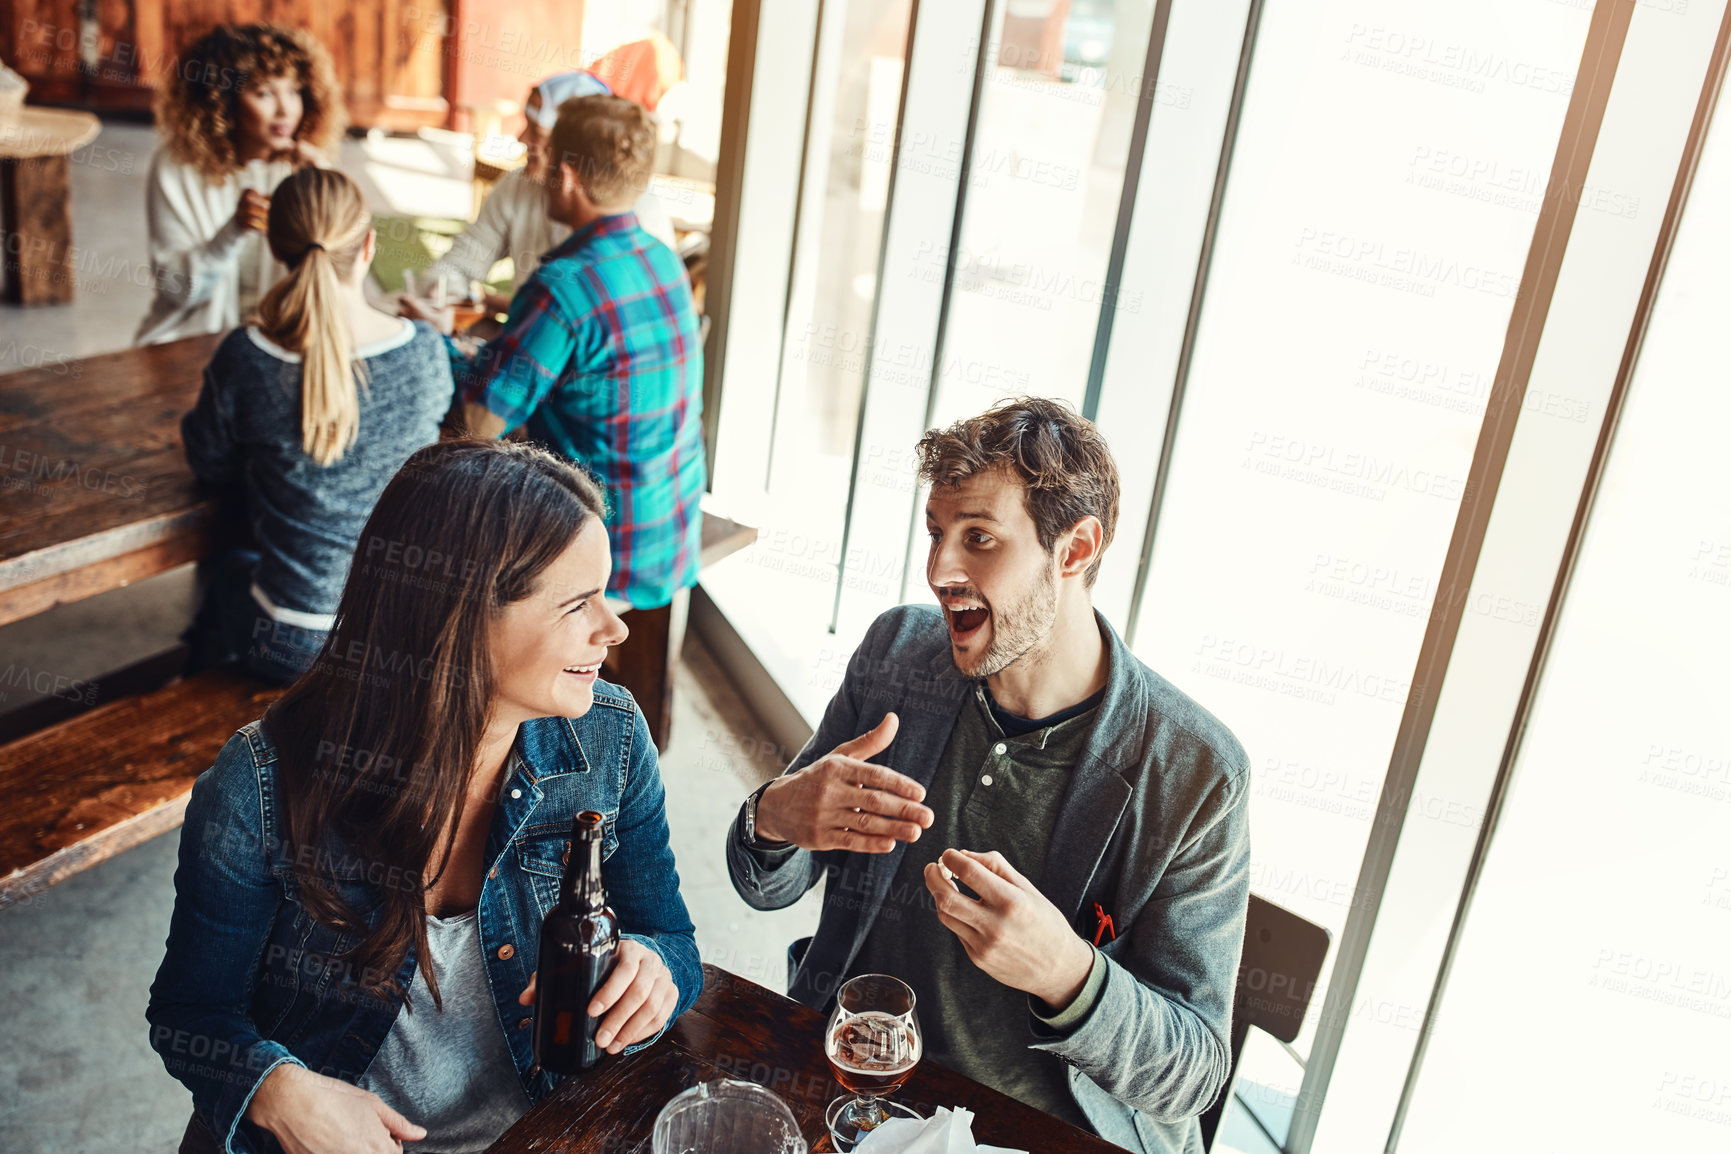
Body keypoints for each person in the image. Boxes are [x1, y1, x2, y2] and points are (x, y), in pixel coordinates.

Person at [725, 398, 1251, 1154]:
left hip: (1046, 1130)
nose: (940, 570)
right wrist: (774, 818)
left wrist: (1068, 972)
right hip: (865, 1095)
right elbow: (763, 884)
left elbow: (1193, 1074)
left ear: (1074, 550)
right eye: (936, 534)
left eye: (978, 539)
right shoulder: (898, 653)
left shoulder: (1198, 771)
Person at [148, 439, 703, 1154]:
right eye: (576, 605)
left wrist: (656, 971)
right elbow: (192, 1013)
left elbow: (675, 941)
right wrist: (277, 1089)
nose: (613, 627)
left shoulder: (613, 737)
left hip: (543, 1129)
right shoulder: (258, 784)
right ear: (461, 618)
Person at [180, 166, 453, 683]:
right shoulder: (424, 351)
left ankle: (196, 669)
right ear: (369, 246)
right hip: (399, 634)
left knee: (228, 563)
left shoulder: (247, 356)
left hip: (290, 639)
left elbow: (208, 462)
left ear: (277, 250)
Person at [455, 93, 704, 617]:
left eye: (545, 162)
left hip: (605, 551)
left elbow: (480, 423)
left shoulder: (562, 286)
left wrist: (459, 361)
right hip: (672, 534)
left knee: (448, 557)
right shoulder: (662, 258)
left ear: (566, 176)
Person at [403, 72, 676, 324]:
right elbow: (461, 262)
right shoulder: (517, 185)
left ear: (570, 145)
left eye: (536, 130)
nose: (520, 138)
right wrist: (444, 296)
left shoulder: (634, 212)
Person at [137, 24, 345, 345]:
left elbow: (342, 278)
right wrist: (233, 229)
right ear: (222, 102)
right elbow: (177, 291)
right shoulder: (176, 167)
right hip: (190, 342)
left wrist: (327, 185)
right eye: (264, 93)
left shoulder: (305, 165)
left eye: (294, 91)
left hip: (281, 342)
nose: (285, 109)